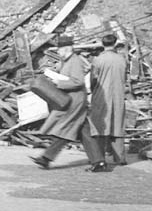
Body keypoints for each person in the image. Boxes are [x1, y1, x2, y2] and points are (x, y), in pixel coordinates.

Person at [30, 35, 106, 172]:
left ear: (66, 48)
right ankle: (98, 161)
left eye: (59, 49)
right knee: (82, 130)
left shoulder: (75, 61)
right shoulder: (67, 61)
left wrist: (59, 83)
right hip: (72, 99)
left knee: (66, 129)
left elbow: (78, 81)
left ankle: (46, 158)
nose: (58, 52)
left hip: (75, 100)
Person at [88, 33, 128, 166]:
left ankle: (99, 157)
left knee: (99, 126)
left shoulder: (98, 60)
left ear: (102, 44)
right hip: (118, 94)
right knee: (117, 124)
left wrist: (93, 91)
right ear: (115, 44)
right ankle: (120, 158)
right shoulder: (122, 59)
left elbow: (93, 79)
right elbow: (125, 77)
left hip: (101, 95)